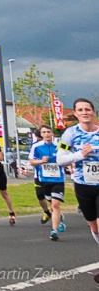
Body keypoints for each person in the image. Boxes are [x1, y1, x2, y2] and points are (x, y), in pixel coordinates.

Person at [57, 99, 99, 267]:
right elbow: (60, 160)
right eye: (80, 110)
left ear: (93, 113)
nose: (85, 112)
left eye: (87, 109)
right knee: (94, 227)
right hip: (83, 184)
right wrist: (81, 154)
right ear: (76, 114)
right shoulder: (70, 134)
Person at [30, 124, 66, 240]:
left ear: (52, 133)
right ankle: (59, 218)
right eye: (44, 132)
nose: (47, 134)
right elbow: (32, 161)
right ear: (41, 134)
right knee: (51, 204)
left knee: (55, 204)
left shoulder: (61, 145)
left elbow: (70, 155)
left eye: (48, 132)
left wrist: (69, 164)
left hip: (58, 179)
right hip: (44, 179)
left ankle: (54, 231)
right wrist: (41, 161)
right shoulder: (36, 146)